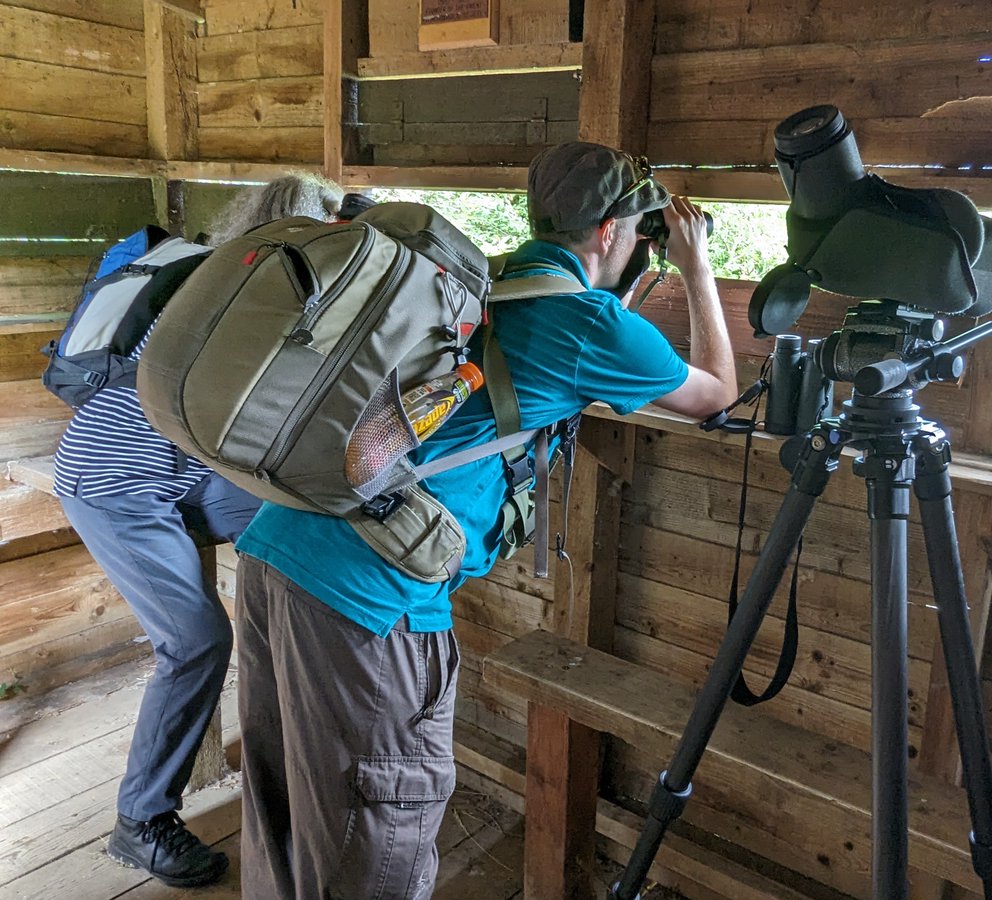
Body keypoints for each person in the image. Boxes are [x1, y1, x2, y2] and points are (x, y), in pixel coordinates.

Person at [234, 141, 737, 900]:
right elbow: (718, 394)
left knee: (285, 809)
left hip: (278, 542)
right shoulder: (589, 323)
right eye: (637, 231)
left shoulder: (480, 278)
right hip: (369, 599)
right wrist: (696, 268)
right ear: (607, 233)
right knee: (377, 834)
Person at [53, 173, 344, 888]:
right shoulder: (249, 298)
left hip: (178, 476)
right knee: (195, 641)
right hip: (115, 486)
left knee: (304, 530)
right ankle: (142, 823)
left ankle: (303, 754)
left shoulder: (220, 275)